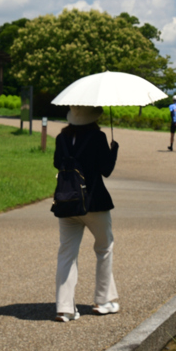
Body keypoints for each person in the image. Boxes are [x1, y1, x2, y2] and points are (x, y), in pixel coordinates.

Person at [54, 105, 120, 322]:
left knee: (67, 253)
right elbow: (106, 170)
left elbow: (57, 163)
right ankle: (102, 301)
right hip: (94, 201)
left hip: (67, 202)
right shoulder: (98, 137)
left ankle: (64, 308)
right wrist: (113, 150)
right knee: (104, 248)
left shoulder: (61, 138)